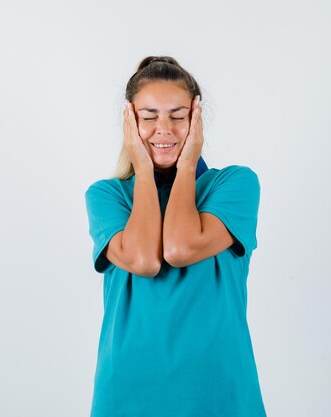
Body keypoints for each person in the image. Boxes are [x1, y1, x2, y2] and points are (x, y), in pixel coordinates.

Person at [84, 56, 267, 417]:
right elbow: (145, 261)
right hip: (128, 391)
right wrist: (143, 169)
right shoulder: (107, 196)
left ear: (197, 119)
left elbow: (180, 248)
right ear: (130, 122)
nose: (163, 128)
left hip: (216, 390)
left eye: (178, 116)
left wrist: (187, 165)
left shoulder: (234, 184)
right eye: (148, 117)